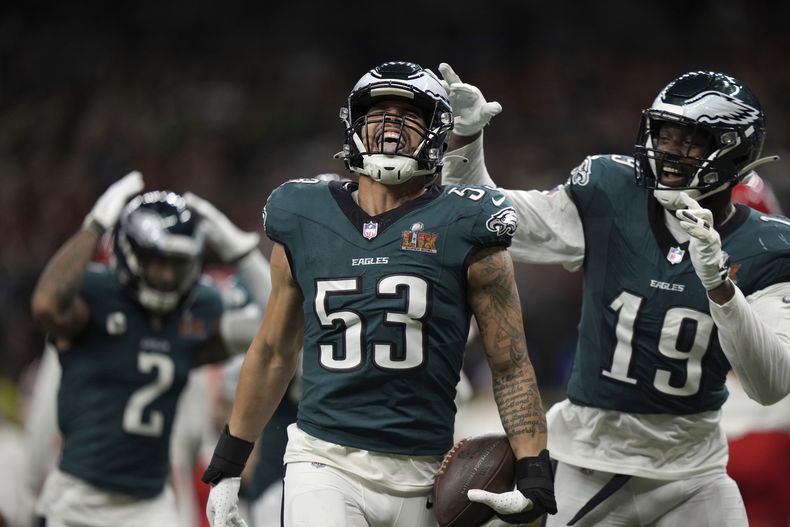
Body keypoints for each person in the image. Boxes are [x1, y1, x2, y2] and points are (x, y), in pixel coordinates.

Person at [199, 61, 556, 527]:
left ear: (437, 131)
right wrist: (229, 462)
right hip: (324, 458)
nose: (391, 125)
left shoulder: (466, 224)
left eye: (408, 115)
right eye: (378, 113)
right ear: (353, 125)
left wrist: (534, 469)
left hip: (425, 468)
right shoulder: (304, 215)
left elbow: (509, 363)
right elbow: (273, 351)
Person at [439, 64, 790, 526]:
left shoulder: (769, 246)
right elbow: (492, 221)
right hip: (591, 457)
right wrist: (466, 142)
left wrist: (720, 286)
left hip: (693, 470)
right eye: (664, 134)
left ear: (734, 148)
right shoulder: (611, 190)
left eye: (689, 140)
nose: (669, 150)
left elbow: (770, 385)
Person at [29, 172, 270, 526]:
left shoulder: (194, 311)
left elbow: (276, 328)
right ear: (131, 251)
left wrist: (243, 253)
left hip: (149, 505)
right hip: (77, 497)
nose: (167, 276)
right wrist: (94, 226)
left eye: (176, 263)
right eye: (158, 261)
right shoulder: (97, 295)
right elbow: (46, 305)